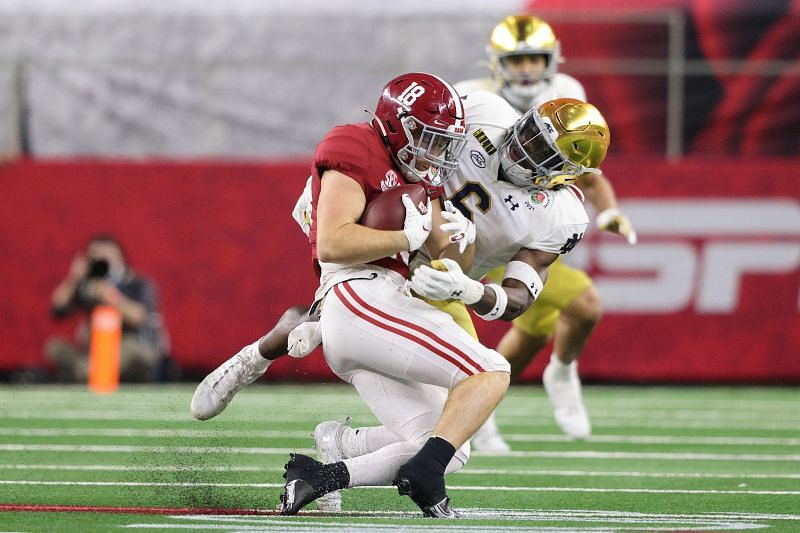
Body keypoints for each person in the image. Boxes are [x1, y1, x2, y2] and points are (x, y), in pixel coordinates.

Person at [454, 14, 638, 447]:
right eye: (517, 61)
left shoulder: (568, 96)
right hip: (477, 229)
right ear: (497, 64)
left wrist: (609, 211)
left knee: (533, 331)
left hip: (527, 225)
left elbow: (584, 171)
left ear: (551, 60)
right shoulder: (475, 100)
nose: (526, 70)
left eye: (535, 59)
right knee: (584, 305)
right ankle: (482, 409)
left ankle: (497, 401)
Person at [45, 234, 169, 383]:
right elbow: (58, 307)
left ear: (119, 256)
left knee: (126, 349)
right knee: (55, 347)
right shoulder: (89, 284)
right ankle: (87, 370)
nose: (100, 260)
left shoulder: (137, 282)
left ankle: (88, 372)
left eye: (105, 255)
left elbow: (140, 317)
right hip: (98, 348)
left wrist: (112, 298)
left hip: (134, 345)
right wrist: (73, 278)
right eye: (95, 256)